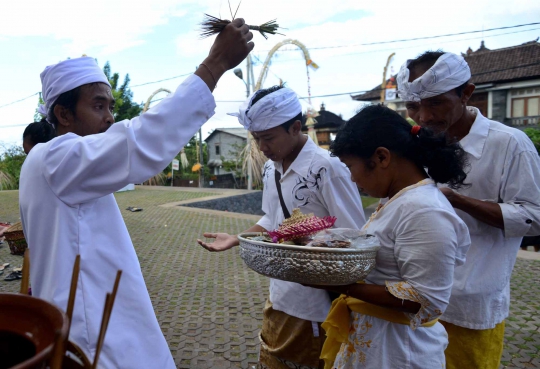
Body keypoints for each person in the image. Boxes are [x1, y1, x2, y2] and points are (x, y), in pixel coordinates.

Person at [19, 19, 253, 369]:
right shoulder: (56, 157)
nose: (111, 118)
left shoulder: (60, 164)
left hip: (94, 317)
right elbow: (140, 141)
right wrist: (214, 65)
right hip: (93, 331)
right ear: (63, 114)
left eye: (111, 107)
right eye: (99, 106)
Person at [198, 85, 366, 369]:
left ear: (295, 127)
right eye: (256, 139)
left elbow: (355, 236)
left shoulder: (327, 168)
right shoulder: (270, 168)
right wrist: (239, 238)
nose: (262, 148)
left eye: (268, 138)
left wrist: (312, 241)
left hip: (317, 304)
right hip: (279, 295)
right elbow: (272, 220)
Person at [398, 51, 540, 369]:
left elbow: (535, 216)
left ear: (466, 93)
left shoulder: (510, 144)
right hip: (411, 300)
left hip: (469, 308)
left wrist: (459, 201)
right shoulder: (415, 146)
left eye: (435, 103)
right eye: (412, 106)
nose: (422, 117)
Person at [307, 104, 471, 369]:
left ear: (382, 158)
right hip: (375, 341)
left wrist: (339, 285)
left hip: (400, 352)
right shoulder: (398, 199)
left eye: (351, 166)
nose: (351, 178)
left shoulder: (424, 210)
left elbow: (427, 299)